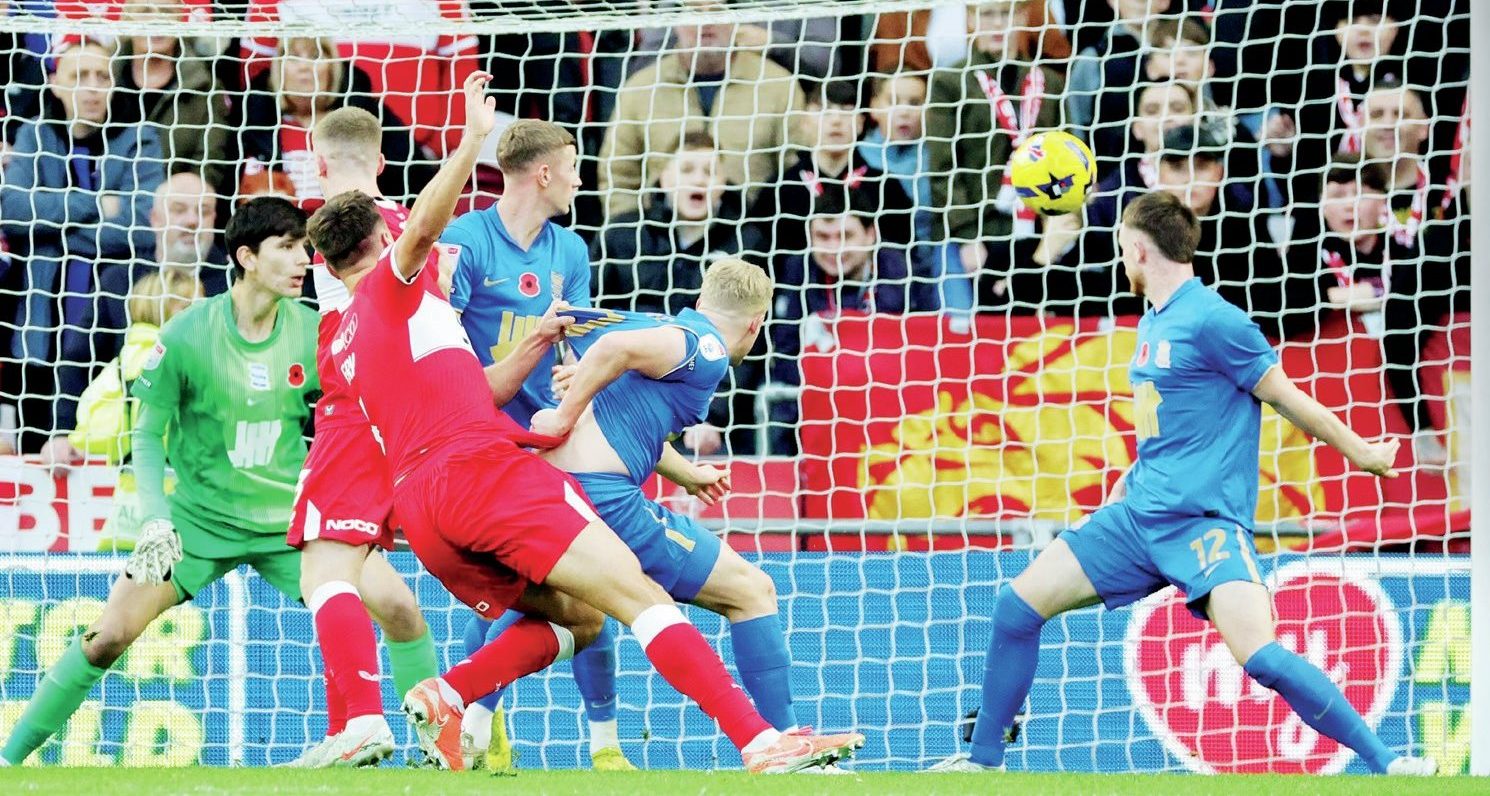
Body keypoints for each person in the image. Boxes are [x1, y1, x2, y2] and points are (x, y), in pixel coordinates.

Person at [308, 71, 862, 774]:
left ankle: (453, 694)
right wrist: (474, 139)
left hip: (424, 509)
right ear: (379, 245)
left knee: (580, 617)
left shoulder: (345, 340)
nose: (431, 251)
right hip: (482, 475)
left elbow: (477, 390)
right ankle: (761, 742)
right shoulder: (394, 285)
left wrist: (536, 344)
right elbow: (421, 228)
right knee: (641, 596)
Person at [929, 190, 1437, 777]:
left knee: (1262, 658)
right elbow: (1175, 425)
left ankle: (1388, 763)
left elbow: (1290, 399)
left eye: (1123, 247)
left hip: (1203, 527)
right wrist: (1129, 479)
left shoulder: (1216, 320)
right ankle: (983, 763)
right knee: (1016, 608)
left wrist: (1364, 453)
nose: (1122, 257)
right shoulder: (1153, 320)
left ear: (1139, 249)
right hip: (1137, 518)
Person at [0, 198, 326, 766]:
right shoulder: (186, 332)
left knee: (385, 609)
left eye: (307, 247)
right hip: (195, 527)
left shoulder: (314, 331)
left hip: (287, 526)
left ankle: (419, 747)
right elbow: (146, 435)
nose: (305, 259)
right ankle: (8, 760)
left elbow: (345, 417)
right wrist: (157, 518)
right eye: (289, 246)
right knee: (107, 635)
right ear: (246, 257)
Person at [530, 260, 807, 744]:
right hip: (604, 496)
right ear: (756, 324)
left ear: (700, 301)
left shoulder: (662, 328)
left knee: (556, 612)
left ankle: (454, 702)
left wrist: (690, 474)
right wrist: (562, 416)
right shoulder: (706, 347)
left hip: (559, 490)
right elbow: (612, 348)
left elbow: (630, 413)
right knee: (751, 590)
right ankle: (785, 743)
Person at [439, 117, 634, 772]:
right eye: (574, 166)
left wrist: (577, 374)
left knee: (597, 587)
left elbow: (576, 343)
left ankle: (602, 746)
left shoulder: (569, 251)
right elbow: (442, 348)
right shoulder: (466, 242)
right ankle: (478, 720)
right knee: (511, 592)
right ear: (544, 173)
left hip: (551, 440)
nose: (582, 179)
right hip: (480, 444)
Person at [276, 105, 440, 769]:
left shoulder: (331, 229)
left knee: (323, 570)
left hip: (356, 412)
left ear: (317, 163)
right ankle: (433, 739)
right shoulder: (416, 227)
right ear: (382, 161)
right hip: (421, 419)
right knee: (393, 601)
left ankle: (363, 721)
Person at [0, 40, 164, 459]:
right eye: (79, 76)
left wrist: (53, 230)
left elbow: (143, 224)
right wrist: (98, 205)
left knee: (113, 447)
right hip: (41, 325)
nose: (92, 87)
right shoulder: (35, 133)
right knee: (39, 452)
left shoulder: (140, 137)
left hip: (111, 326)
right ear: (56, 84)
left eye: (101, 76)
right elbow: (14, 210)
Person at [597, 0, 803, 220]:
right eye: (694, 11)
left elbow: (795, 172)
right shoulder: (642, 87)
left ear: (735, 19)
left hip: (751, 232)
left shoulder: (778, 85)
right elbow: (618, 176)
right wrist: (633, 233)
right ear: (675, 22)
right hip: (659, 235)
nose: (706, 22)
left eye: (716, 11)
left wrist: (765, 234)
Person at [767, 191, 937, 453]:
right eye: (823, 237)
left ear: (871, 235)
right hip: (818, 407)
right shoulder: (797, 271)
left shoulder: (907, 274)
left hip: (891, 407)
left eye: (846, 236)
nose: (834, 249)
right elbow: (786, 352)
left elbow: (927, 352)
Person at [926, 0, 1064, 317]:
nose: (998, 24)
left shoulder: (1049, 83)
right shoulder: (950, 82)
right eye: (987, 15)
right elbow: (944, 168)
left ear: (1023, 17)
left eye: (1007, 13)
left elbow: (1063, 158)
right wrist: (966, 237)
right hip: (972, 233)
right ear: (970, 20)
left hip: (1035, 232)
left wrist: (1055, 234)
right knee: (969, 331)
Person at [748, 78, 916, 269]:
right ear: (804, 122)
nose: (836, 120)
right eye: (824, 111)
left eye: (846, 110)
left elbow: (904, 258)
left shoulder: (885, 187)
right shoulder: (780, 190)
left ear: (860, 123)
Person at [239, 37, 431, 202]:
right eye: (294, 56)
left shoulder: (367, 119)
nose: (304, 66)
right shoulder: (251, 124)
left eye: (316, 56)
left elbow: (417, 180)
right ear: (278, 68)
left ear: (333, 67)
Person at [594, 131, 758, 316]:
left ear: (723, 182)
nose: (699, 180)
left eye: (709, 172)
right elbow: (593, 303)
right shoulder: (622, 233)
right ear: (665, 179)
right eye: (686, 170)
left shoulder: (747, 242)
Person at [112, 0, 232, 190]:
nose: (157, 20)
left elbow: (208, 166)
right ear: (126, 19)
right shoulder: (103, 75)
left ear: (180, 18)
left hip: (176, 203)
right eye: (145, 11)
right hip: (105, 203)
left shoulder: (205, 87)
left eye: (166, 11)